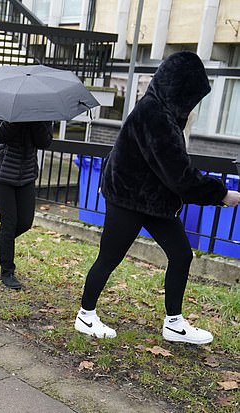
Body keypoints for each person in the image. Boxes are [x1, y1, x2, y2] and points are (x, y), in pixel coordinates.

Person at [74, 51, 240, 344]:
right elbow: (180, 174)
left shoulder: (159, 110)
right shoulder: (155, 114)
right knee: (110, 258)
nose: (194, 104)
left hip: (153, 201)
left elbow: (121, 148)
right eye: (193, 96)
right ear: (182, 89)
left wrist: (104, 181)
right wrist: (222, 194)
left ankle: (174, 324)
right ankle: (86, 315)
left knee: (181, 255)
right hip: (128, 199)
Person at [0, 120, 53, 289]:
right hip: (1, 172)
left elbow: (44, 142)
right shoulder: (9, 107)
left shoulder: (43, 115)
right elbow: (1, 135)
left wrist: (37, 121)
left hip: (26, 175)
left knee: (25, 223)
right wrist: (17, 119)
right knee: (9, 223)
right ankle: (7, 271)